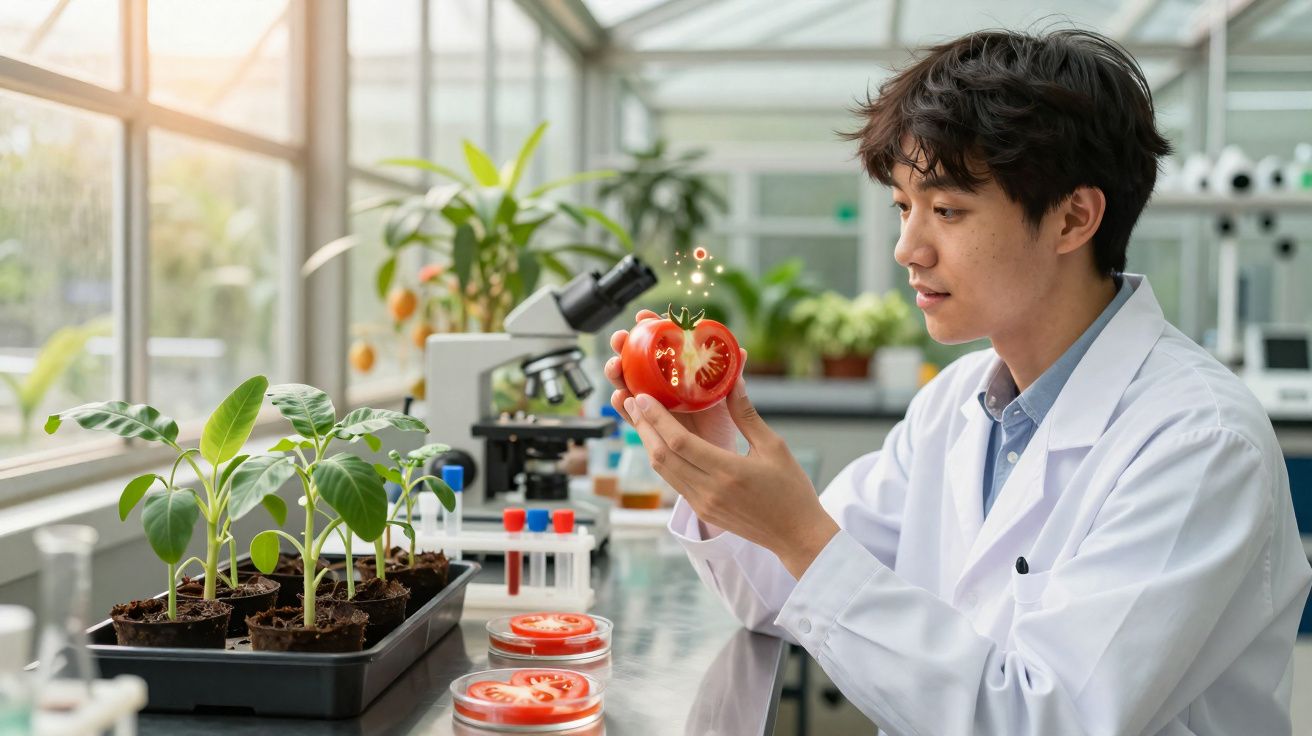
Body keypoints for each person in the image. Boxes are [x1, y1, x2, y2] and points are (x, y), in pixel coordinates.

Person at [604, 28, 1312, 735]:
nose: (908, 248)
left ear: (1074, 217)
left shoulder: (1199, 445)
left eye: (945, 210)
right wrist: (712, 445)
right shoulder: (957, 402)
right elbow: (780, 595)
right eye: (903, 207)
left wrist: (800, 532)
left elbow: (1042, 719)